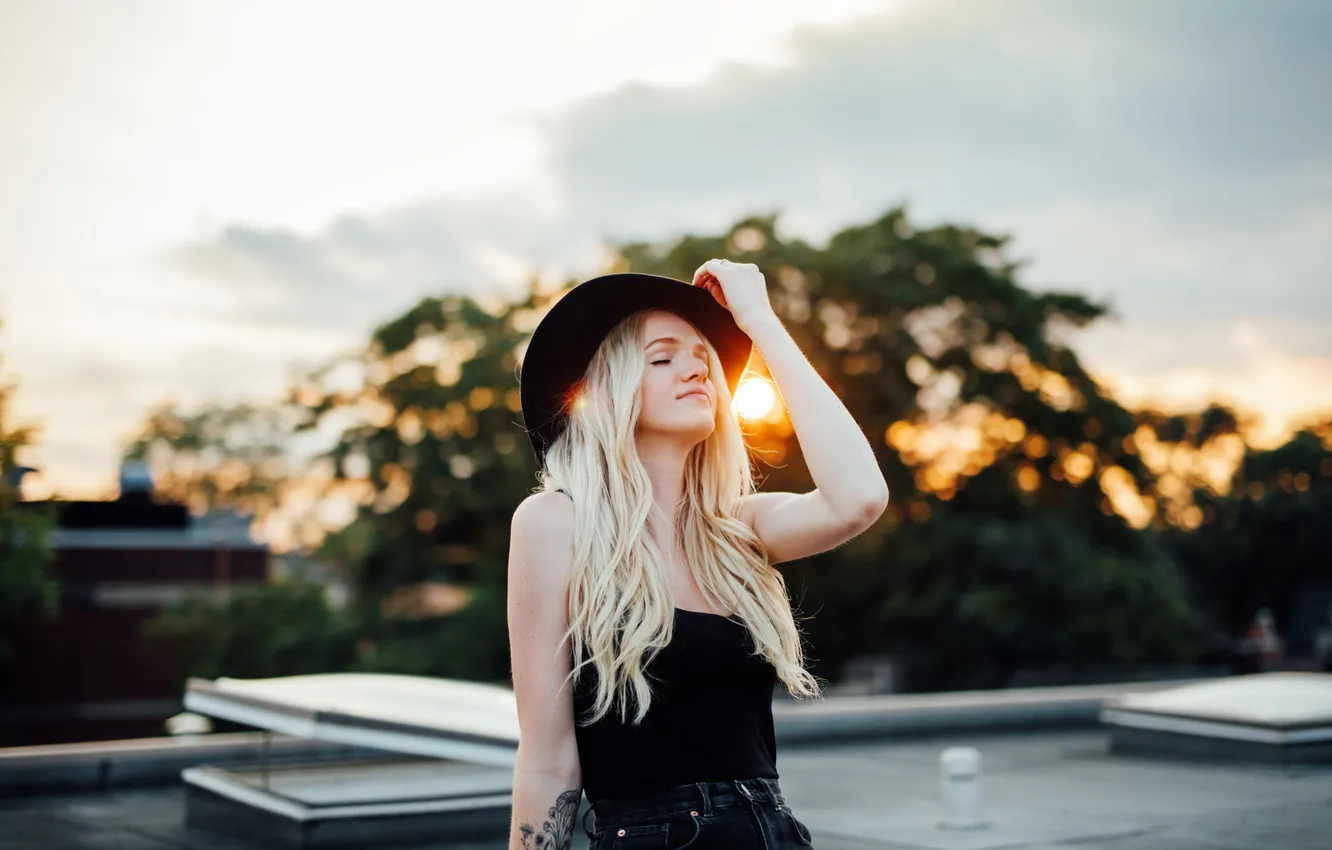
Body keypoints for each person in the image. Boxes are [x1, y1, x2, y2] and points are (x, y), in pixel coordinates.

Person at [507, 260, 889, 849]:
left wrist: (761, 321)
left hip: (773, 832)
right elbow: (547, 760)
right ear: (608, 393)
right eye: (662, 357)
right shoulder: (555, 523)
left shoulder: (738, 528)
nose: (696, 368)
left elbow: (860, 498)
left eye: (702, 356)